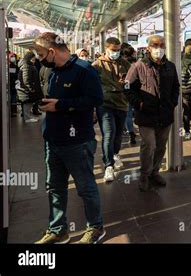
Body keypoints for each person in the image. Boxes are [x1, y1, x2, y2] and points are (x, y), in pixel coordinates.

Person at [33, 32, 105, 244]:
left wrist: (61, 105)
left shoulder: (84, 70)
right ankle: (58, 229)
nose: (40, 58)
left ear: (52, 51)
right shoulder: (50, 71)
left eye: (41, 54)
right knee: (54, 187)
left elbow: (95, 99)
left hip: (77, 141)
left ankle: (95, 227)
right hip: (53, 139)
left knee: (85, 187)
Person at [124, 35, 180, 192]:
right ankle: (144, 174)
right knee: (149, 145)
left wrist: (173, 102)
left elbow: (176, 86)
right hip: (146, 115)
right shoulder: (138, 66)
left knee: (161, 146)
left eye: (162, 45)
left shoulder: (170, 66)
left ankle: (154, 172)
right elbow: (128, 88)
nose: (159, 48)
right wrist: (140, 104)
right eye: (155, 45)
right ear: (148, 47)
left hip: (165, 115)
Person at [92, 37, 131, 182]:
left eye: (118, 50)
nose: (116, 53)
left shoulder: (125, 64)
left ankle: (115, 154)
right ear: (106, 49)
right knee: (109, 133)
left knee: (119, 134)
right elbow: (91, 86)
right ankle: (108, 165)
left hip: (122, 104)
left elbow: (131, 81)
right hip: (105, 105)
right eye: (113, 50)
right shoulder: (97, 65)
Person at [16, 51, 43, 123]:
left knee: (28, 103)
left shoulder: (28, 65)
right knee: (27, 103)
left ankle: (28, 116)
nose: (34, 61)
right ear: (29, 58)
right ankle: (27, 118)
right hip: (26, 90)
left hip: (26, 89)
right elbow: (26, 80)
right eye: (33, 59)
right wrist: (31, 89)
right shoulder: (26, 66)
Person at [121, 43, 138, 145]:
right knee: (135, 112)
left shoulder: (122, 64)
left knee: (127, 114)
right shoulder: (137, 63)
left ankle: (131, 133)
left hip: (125, 91)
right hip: (136, 91)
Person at [8, 53, 19, 117]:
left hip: (14, 84)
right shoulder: (11, 66)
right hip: (12, 85)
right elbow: (13, 75)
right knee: (13, 98)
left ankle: (13, 111)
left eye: (14, 56)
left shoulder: (14, 65)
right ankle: (13, 111)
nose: (13, 58)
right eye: (12, 56)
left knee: (14, 98)